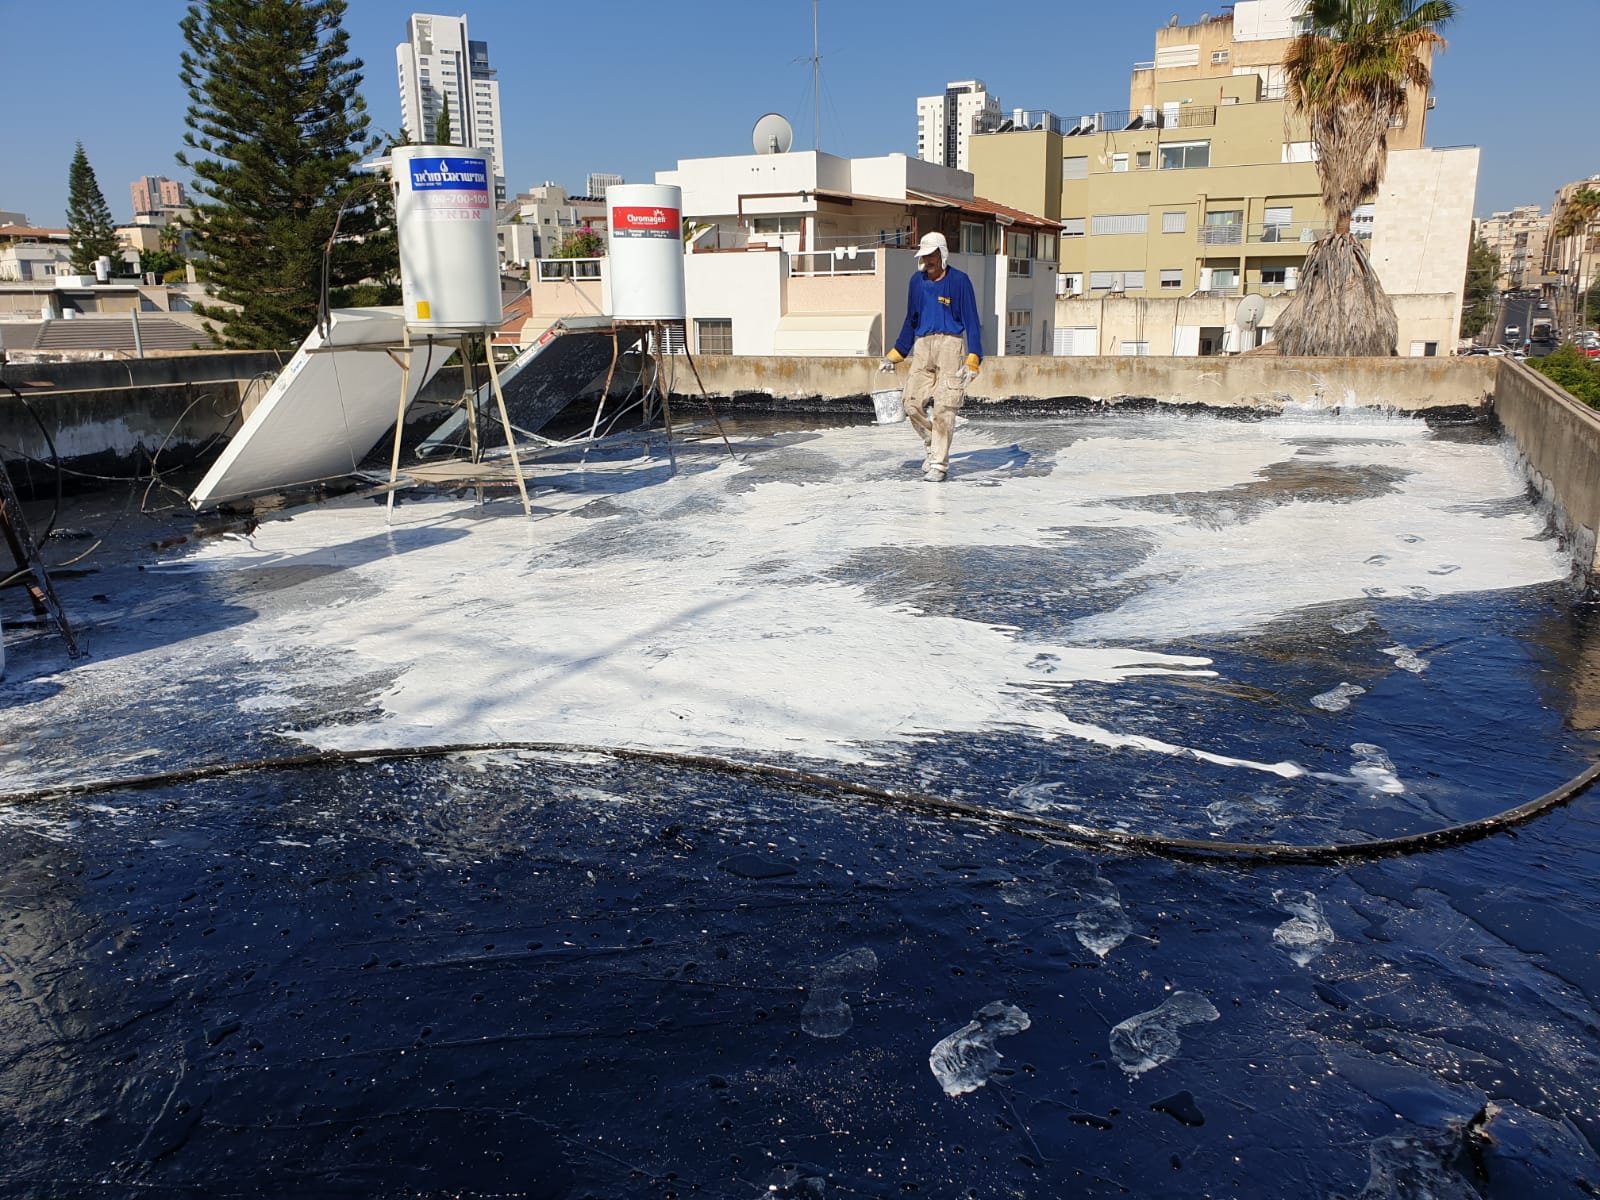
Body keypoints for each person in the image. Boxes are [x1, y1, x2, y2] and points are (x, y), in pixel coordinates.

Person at [878, 231, 982, 482]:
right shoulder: (917, 282)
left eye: (932, 256)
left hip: (951, 346)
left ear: (942, 254)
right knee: (911, 402)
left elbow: (972, 320)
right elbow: (911, 318)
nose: (928, 262)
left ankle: (938, 463)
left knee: (946, 407)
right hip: (922, 347)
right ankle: (932, 443)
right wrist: (897, 353)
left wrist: (974, 357)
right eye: (924, 257)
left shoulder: (960, 281)